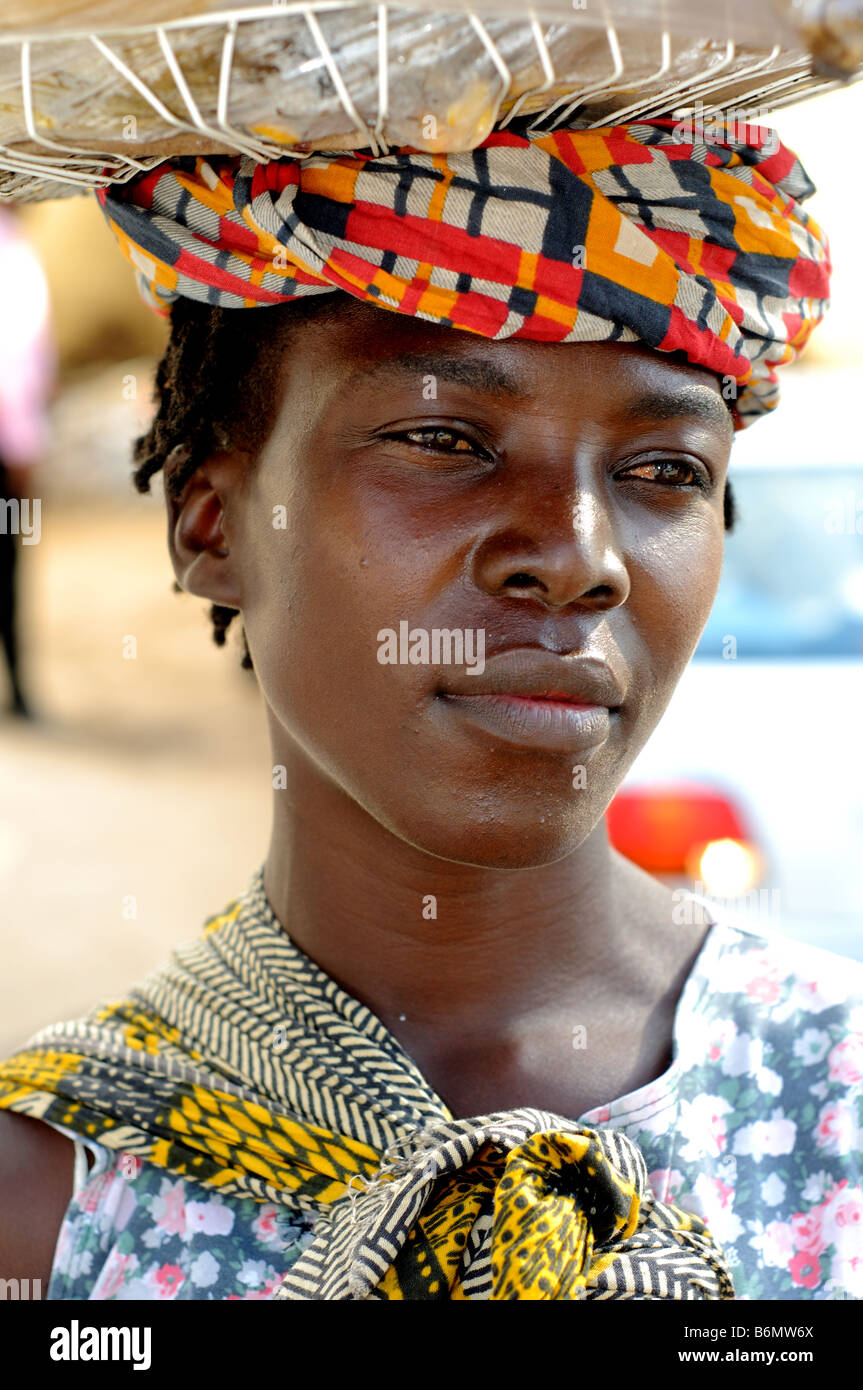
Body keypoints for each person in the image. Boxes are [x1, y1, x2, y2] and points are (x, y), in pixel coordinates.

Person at [0, 117, 858, 1302]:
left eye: (662, 469)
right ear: (210, 525)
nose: (574, 559)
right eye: (442, 439)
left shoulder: (838, 1101)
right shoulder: (47, 1204)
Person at [0, 207, 53, 718]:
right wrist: (22, 449)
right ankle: (17, 689)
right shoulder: (11, 252)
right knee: (8, 564)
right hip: (4, 451)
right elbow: (13, 364)